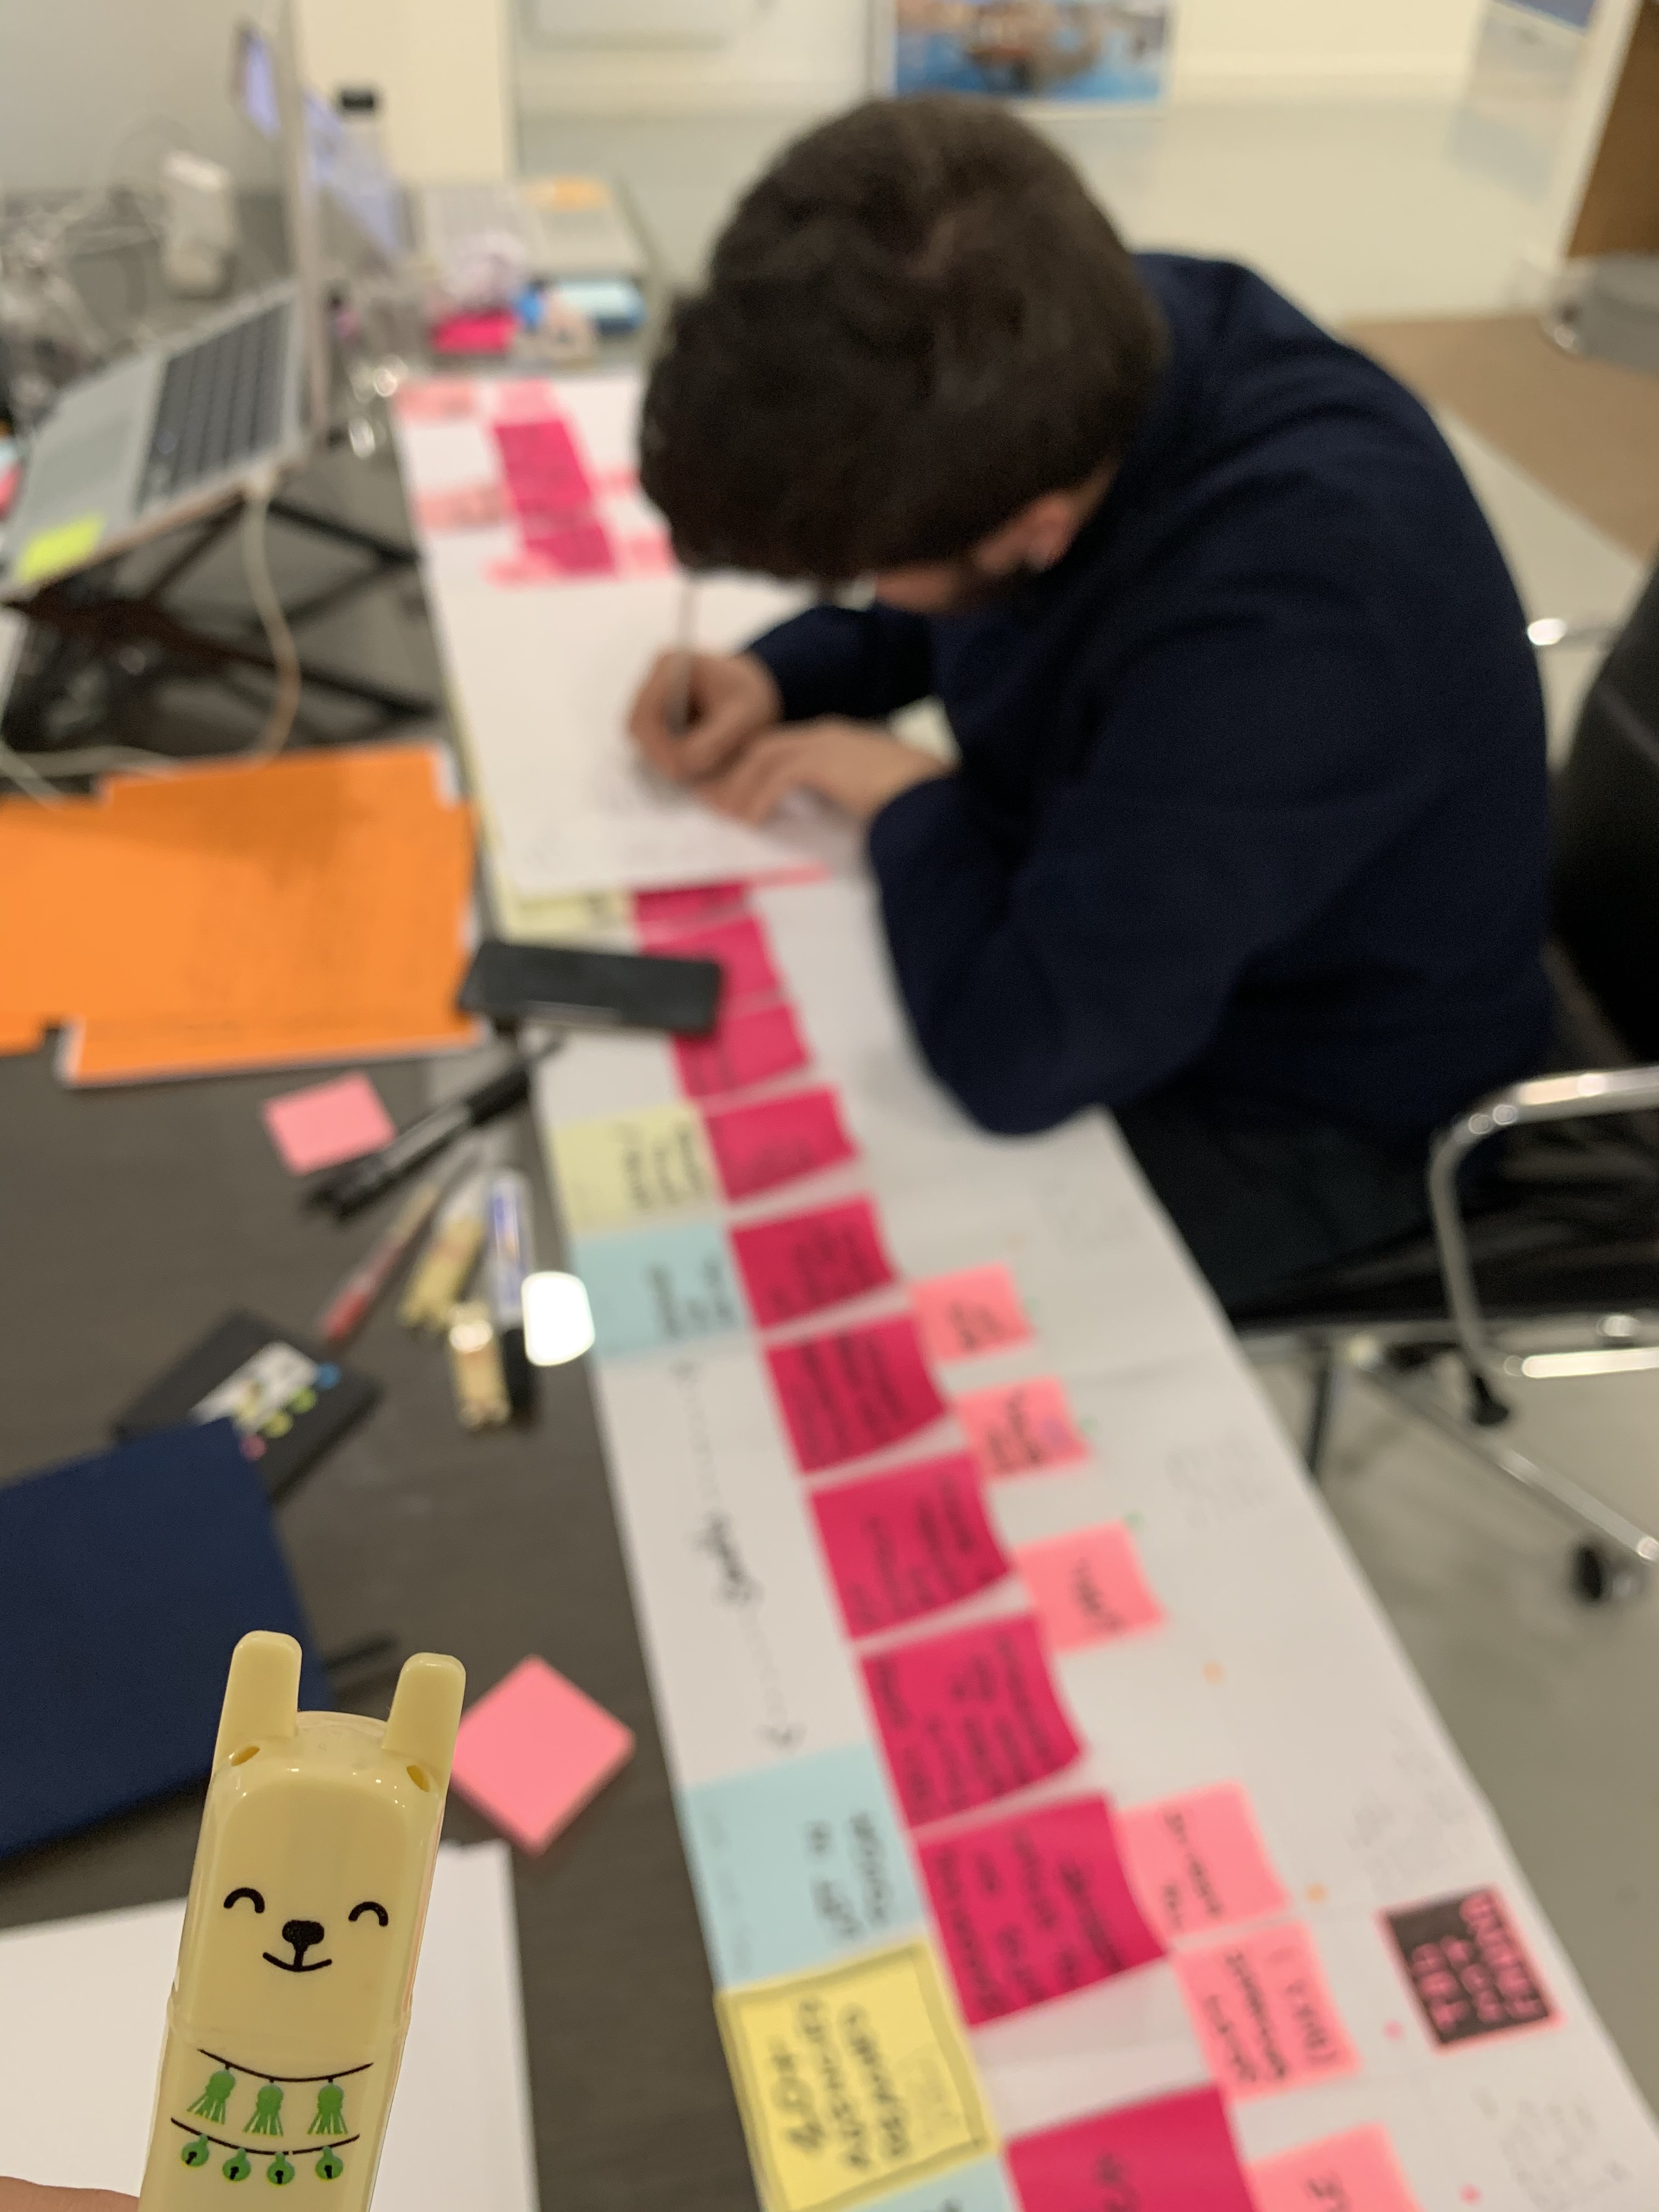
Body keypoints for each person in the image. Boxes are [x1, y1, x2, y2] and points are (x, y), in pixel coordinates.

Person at [627, 98, 1551, 1310]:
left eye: (863, 567)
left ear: (1036, 527)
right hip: (1162, 906)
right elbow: (953, 578)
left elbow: (1022, 1053)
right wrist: (791, 674)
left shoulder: (1298, 616)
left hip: (1321, 1097)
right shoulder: (1075, 340)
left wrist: (911, 800)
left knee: (806, 1275)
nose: (871, 591)